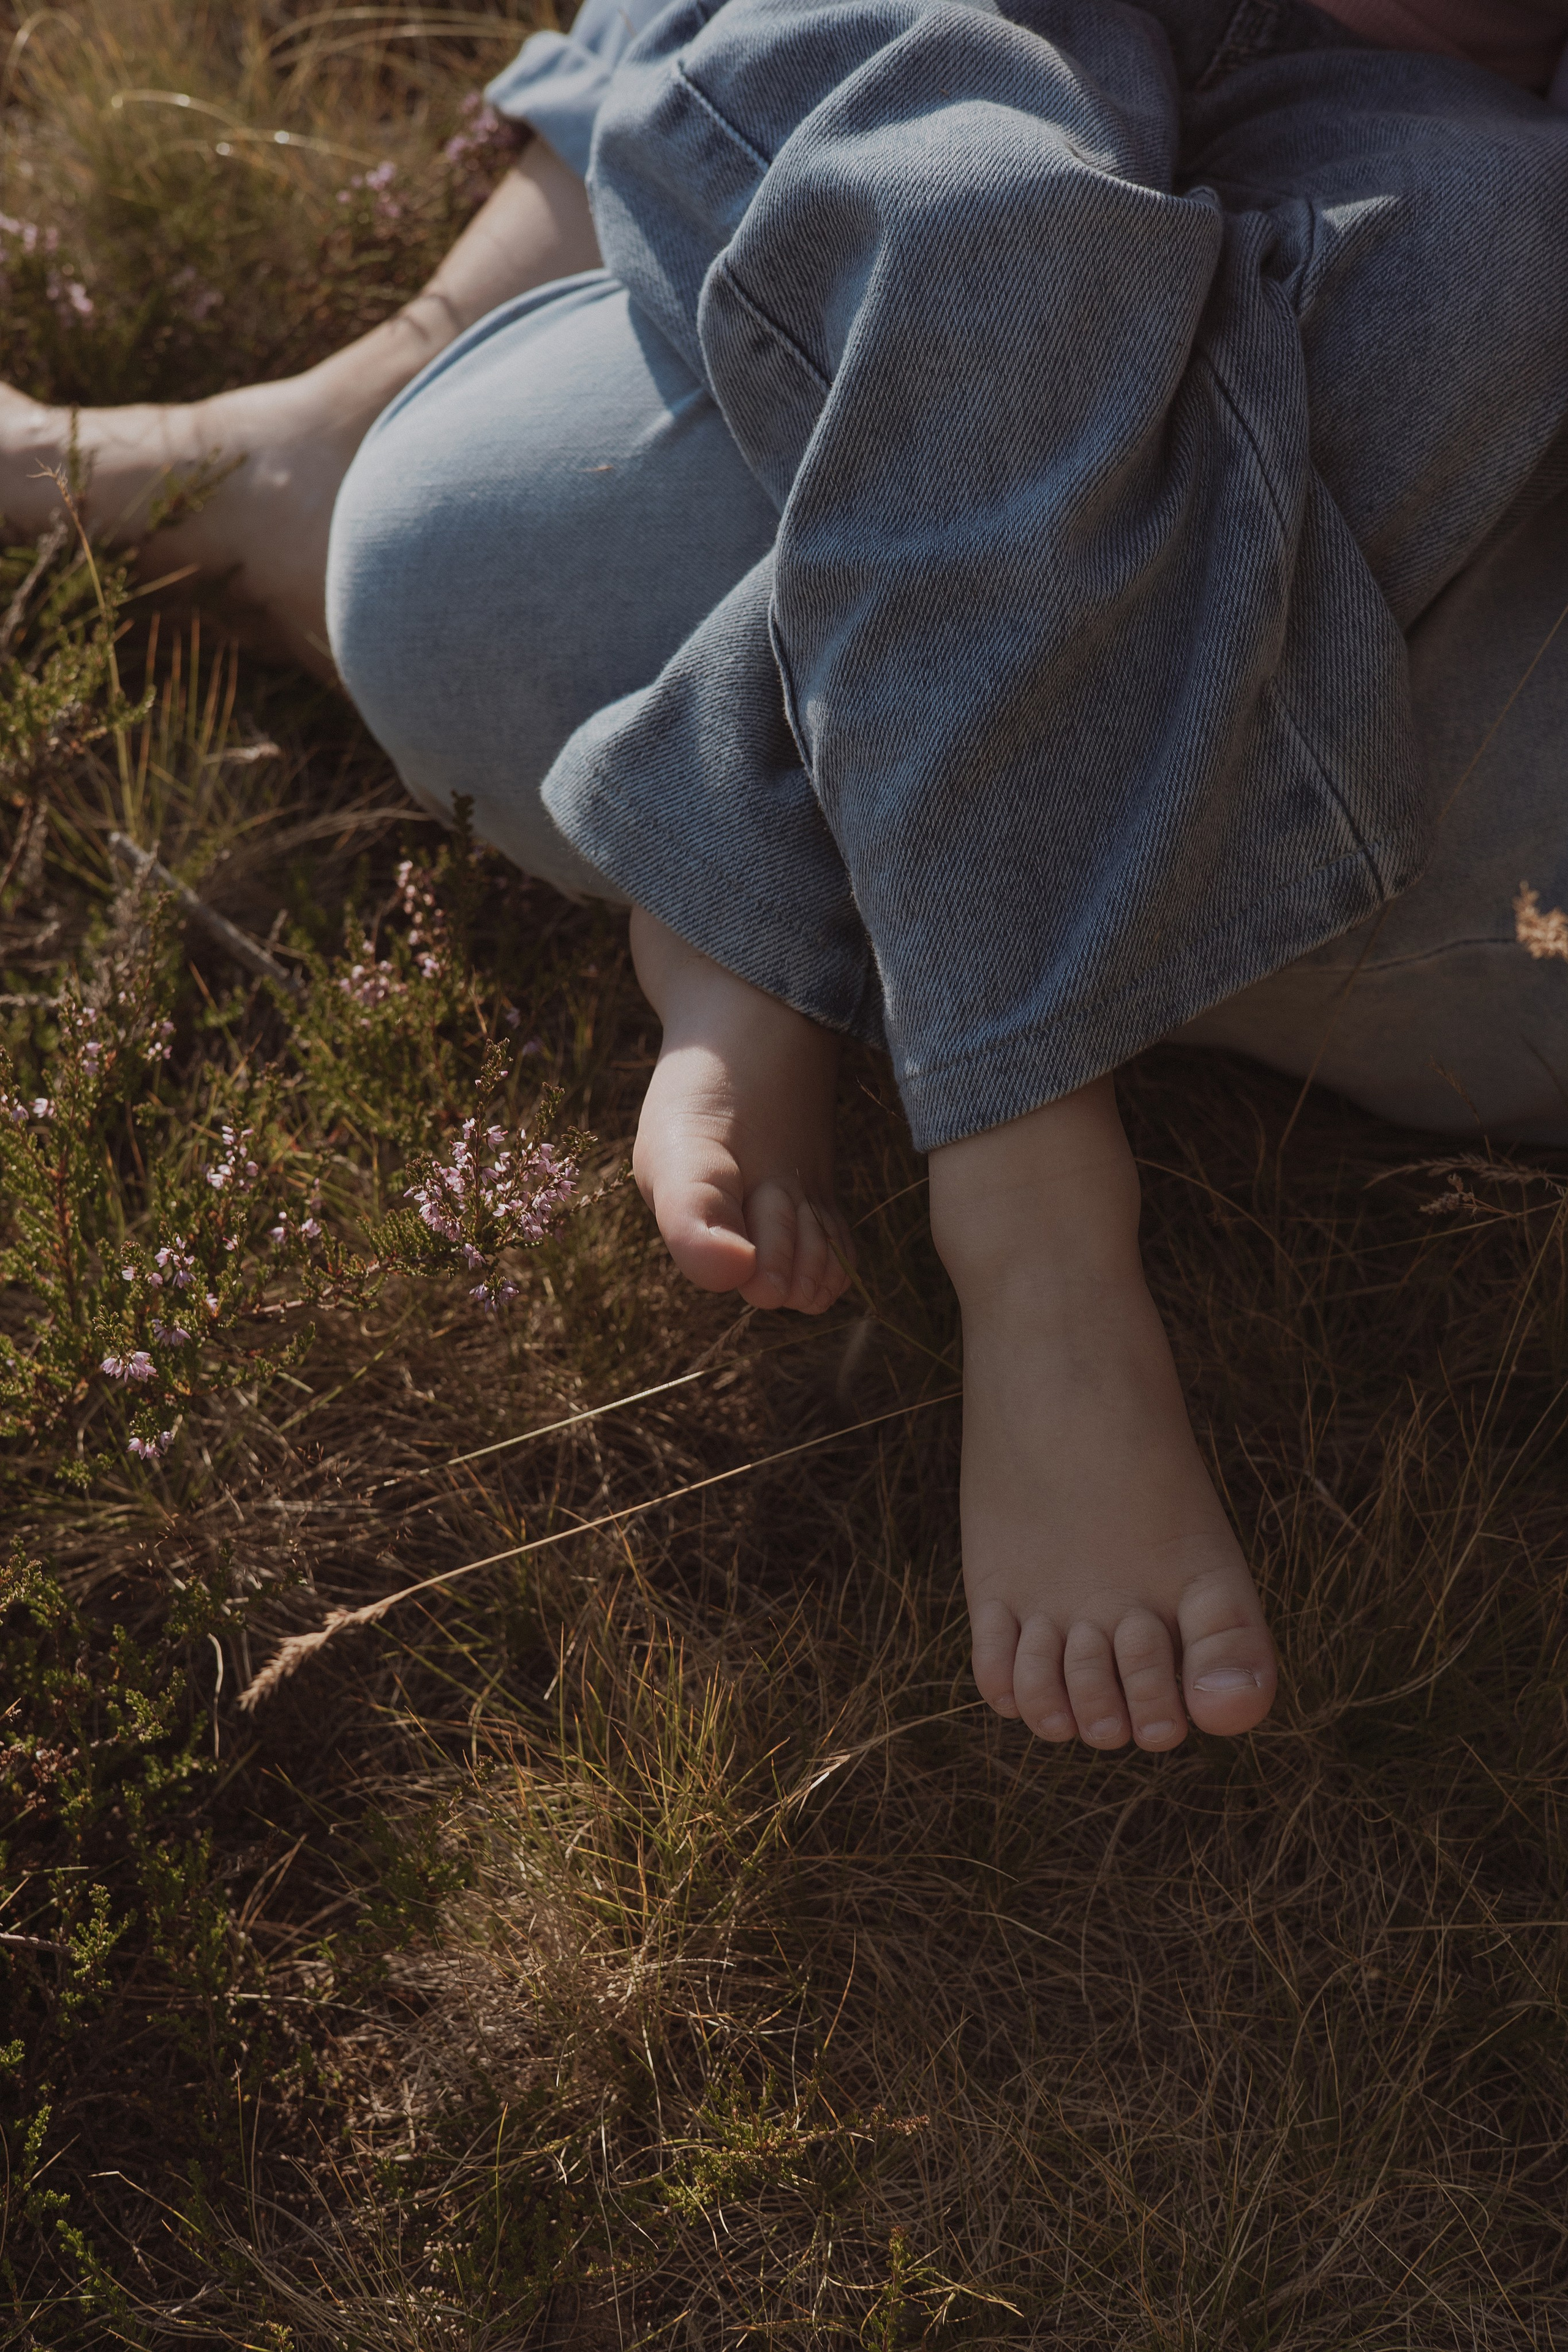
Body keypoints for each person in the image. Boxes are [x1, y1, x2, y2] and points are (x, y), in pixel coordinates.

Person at [7, 0, 1568, 1755]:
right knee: (981, 206)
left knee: (1499, 258)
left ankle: (741, 851)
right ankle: (1036, 1222)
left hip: (1444, 124)